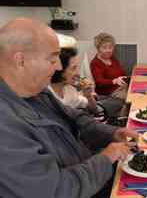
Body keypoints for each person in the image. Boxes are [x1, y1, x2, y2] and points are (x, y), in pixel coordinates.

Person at [0, 18, 138, 198]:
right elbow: (55, 190)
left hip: (89, 174)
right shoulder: (6, 125)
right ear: (20, 61)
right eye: (52, 59)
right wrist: (105, 158)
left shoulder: (37, 91)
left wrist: (112, 132)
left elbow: (77, 119)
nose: (58, 66)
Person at [90, 32, 128, 98]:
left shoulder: (112, 58)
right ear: (98, 48)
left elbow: (121, 73)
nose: (108, 50)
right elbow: (99, 81)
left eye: (110, 47)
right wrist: (114, 81)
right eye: (104, 48)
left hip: (122, 87)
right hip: (110, 93)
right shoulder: (95, 63)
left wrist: (124, 78)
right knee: (132, 99)